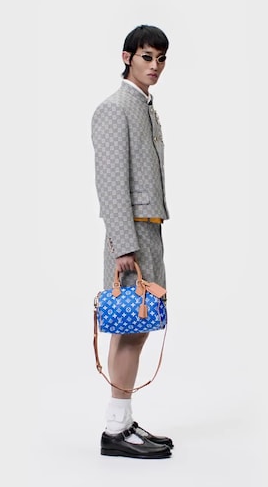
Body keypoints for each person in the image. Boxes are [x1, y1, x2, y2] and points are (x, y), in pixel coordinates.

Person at [91, 24, 173, 459]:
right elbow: (110, 182)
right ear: (127, 57)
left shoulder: (145, 106)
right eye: (146, 57)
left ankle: (122, 422)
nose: (154, 66)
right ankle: (115, 430)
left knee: (138, 326)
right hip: (130, 236)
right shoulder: (115, 108)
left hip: (148, 230)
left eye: (160, 59)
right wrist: (123, 245)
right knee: (129, 327)